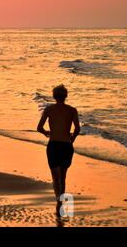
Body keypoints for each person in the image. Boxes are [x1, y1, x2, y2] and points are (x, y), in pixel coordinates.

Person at [37, 84, 80, 217]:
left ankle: (58, 201)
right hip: (66, 146)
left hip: (54, 144)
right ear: (66, 96)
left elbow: (39, 127)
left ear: (54, 96)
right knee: (63, 175)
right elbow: (77, 129)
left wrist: (46, 133)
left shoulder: (49, 109)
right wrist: (72, 138)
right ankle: (60, 200)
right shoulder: (72, 110)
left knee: (55, 176)